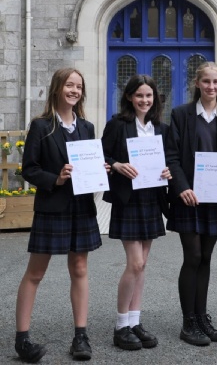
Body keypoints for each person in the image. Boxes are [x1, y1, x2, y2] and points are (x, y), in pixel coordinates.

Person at [15, 68, 105, 362]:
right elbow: (29, 169)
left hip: (81, 207)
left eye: (79, 86)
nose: (75, 90)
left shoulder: (87, 127)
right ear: (57, 88)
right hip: (52, 206)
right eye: (70, 85)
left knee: (79, 269)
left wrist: (100, 170)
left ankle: (81, 336)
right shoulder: (41, 126)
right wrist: (56, 178)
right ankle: (22, 340)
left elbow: (91, 164)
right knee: (35, 273)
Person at [165, 62, 217, 346]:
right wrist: (182, 188)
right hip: (189, 198)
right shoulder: (181, 114)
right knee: (193, 256)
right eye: (206, 81)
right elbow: (172, 156)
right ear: (197, 83)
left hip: (215, 199)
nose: (211, 86)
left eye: (216, 82)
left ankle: (201, 317)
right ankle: (188, 322)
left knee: (206, 258)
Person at [101, 74, 171, 351]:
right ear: (130, 97)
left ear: (155, 98)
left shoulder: (161, 128)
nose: (144, 100)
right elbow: (102, 155)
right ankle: (121, 326)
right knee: (136, 263)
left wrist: (167, 171)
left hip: (151, 198)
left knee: (143, 264)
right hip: (128, 199)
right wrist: (117, 165)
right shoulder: (117, 124)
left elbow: (170, 160)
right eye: (139, 95)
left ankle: (134, 321)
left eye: (149, 95)